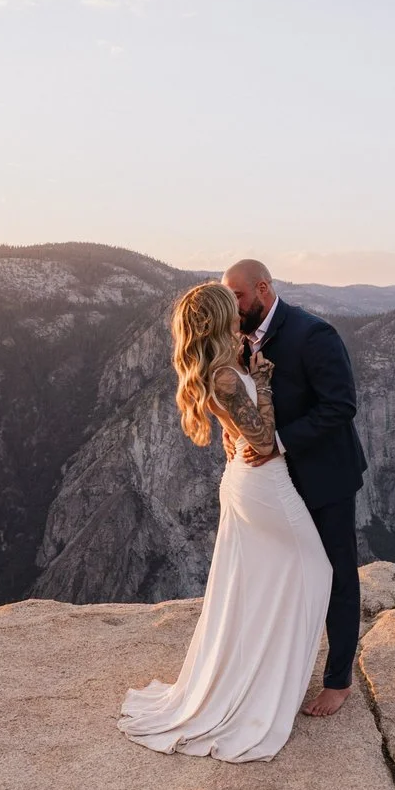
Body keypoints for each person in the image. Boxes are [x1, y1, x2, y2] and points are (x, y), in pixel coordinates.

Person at [118, 281, 332, 761]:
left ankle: (260, 675)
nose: (239, 310)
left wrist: (246, 397)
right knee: (316, 570)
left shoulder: (221, 371)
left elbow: (232, 434)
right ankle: (264, 688)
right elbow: (263, 440)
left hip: (246, 480)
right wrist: (266, 383)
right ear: (218, 318)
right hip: (265, 485)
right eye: (230, 305)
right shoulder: (226, 378)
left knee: (258, 582)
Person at [221, 258, 368, 719]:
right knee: (282, 575)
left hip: (324, 477)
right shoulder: (238, 336)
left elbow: (340, 405)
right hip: (273, 484)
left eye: (237, 296)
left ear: (263, 289)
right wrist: (234, 431)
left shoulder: (313, 334)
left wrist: (277, 443)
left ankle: (339, 681)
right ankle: (280, 670)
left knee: (337, 575)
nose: (231, 305)